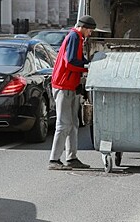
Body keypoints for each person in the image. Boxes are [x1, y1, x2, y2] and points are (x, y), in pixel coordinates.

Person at [48, 15, 96, 170]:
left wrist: (87, 64)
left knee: (74, 123)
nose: (91, 33)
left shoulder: (78, 37)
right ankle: (54, 160)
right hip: (64, 85)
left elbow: (77, 59)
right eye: (90, 30)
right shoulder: (75, 37)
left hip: (69, 85)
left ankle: (71, 158)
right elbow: (70, 62)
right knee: (63, 124)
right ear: (84, 27)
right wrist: (87, 67)